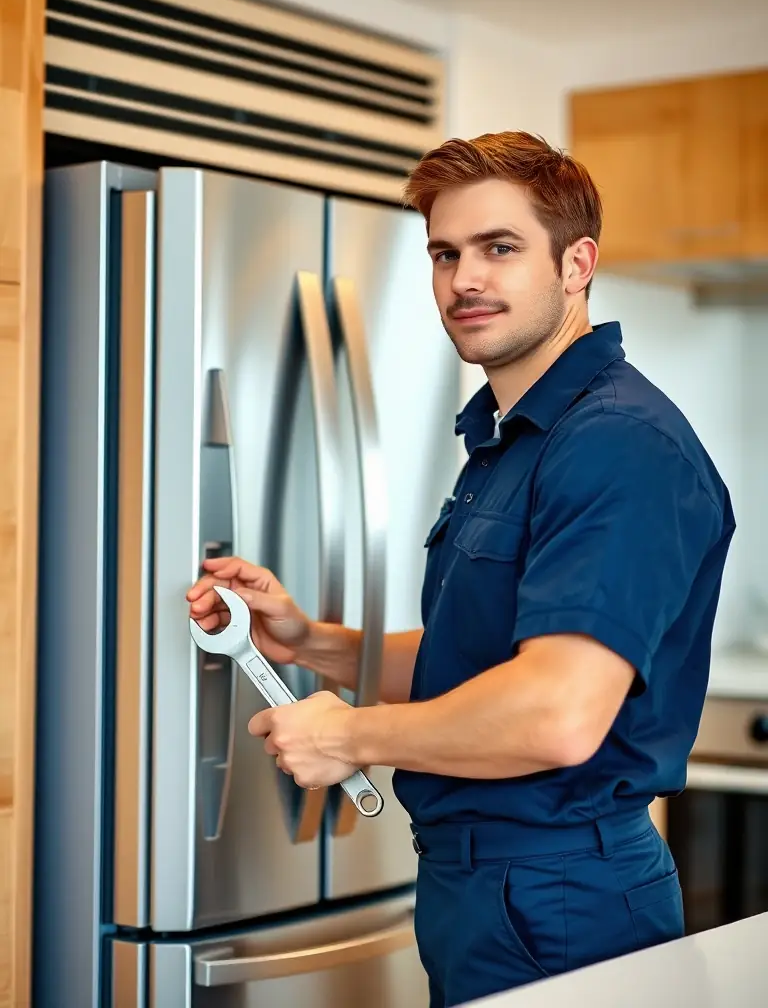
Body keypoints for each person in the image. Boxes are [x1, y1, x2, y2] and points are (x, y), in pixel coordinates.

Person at [186, 130, 736, 1007]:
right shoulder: (512, 438)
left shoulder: (619, 445)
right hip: (483, 890)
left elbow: (554, 715)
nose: (463, 280)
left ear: (576, 264)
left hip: (561, 898)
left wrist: (346, 734)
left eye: (499, 248)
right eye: (445, 254)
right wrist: (304, 640)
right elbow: (480, 664)